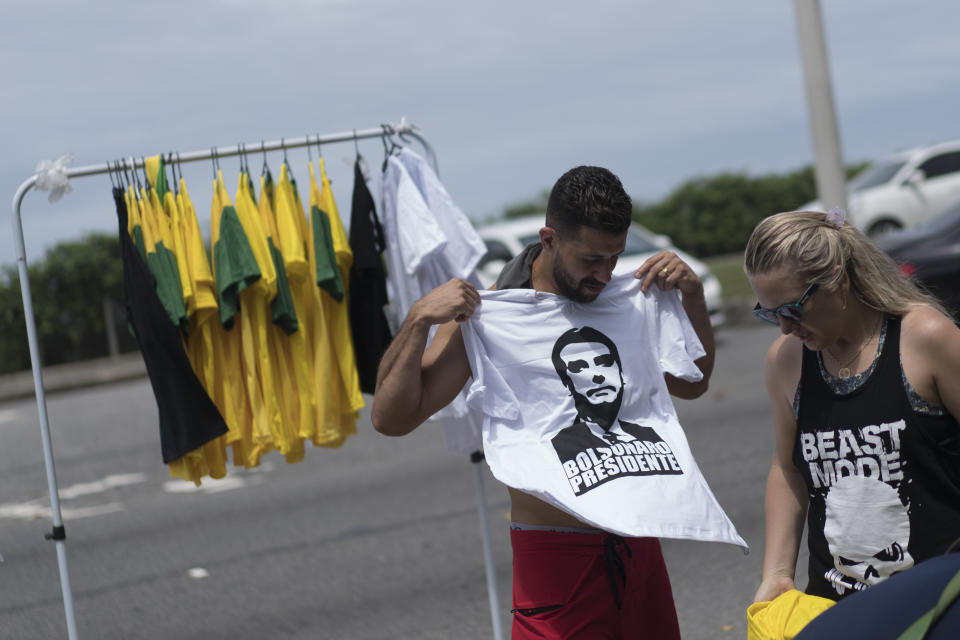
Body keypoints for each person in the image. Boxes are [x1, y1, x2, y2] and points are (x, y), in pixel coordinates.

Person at [372, 165, 716, 639]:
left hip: (638, 538)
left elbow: (691, 383)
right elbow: (392, 418)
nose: (604, 274)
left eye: (614, 258)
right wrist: (416, 321)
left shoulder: (625, 298)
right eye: (591, 259)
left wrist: (692, 296)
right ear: (549, 238)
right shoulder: (491, 315)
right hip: (557, 556)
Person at [744, 209, 960, 606]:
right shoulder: (786, 360)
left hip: (940, 600)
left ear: (839, 281)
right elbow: (787, 468)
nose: (784, 328)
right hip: (840, 608)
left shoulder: (925, 338)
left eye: (792, 310)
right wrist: (776, 574)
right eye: (768, 314)